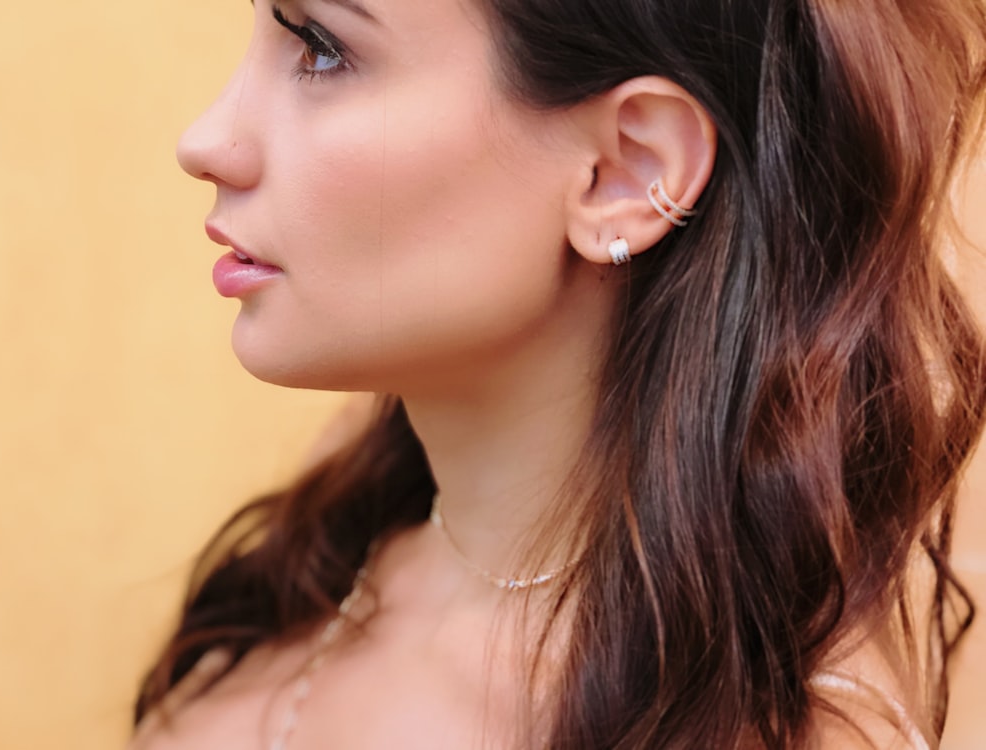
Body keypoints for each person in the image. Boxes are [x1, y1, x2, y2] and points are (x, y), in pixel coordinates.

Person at [130, 0, 986, 747]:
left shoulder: (754, 729)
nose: (205, 142)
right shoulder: (311, 567)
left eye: (320, 47)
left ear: (626, 171)